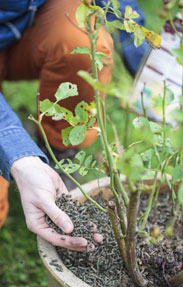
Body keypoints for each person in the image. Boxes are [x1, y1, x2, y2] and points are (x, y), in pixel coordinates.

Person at [0, 0, 149, 250]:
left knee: (79, 39)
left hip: (26, 27)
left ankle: (60, 155)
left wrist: (150, 65)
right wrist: (19, 155)